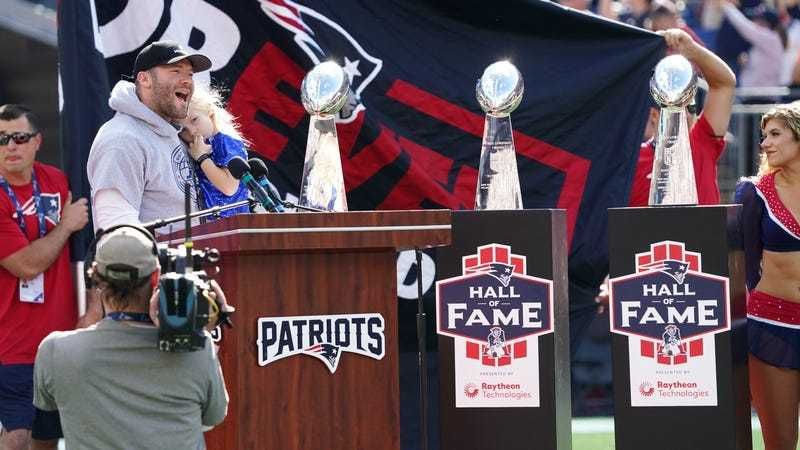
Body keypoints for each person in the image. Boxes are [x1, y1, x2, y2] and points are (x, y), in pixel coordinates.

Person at [32, 226, 229, 449]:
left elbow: (43, 436)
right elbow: (211, 418)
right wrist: (201, 333)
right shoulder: (197, 350)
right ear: (155, 276)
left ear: (96, 277)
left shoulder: (56, 351)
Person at [0, 104, 89, 450]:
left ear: (37, 141)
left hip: (60, 339)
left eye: (19, 138)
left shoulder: (57, 180)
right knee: (18, 437)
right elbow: (25, 265)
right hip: (12, 344)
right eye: (2, 139)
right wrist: (65, 226)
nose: (11, 146)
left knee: (47, 437)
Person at [87, 41, 212, 231]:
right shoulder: (122, 139)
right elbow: (116, 227)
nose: (187, 81)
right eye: (176, 71)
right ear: (145, 79)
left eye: (190, 74)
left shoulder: (176, 133)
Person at [736, 104, 800, 450]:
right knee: (780, 442)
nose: (765, 144)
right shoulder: (754, 192)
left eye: (775, 134)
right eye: (763, 136)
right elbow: (746, 265)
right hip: (773, 325)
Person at [628, 28, 736, 206]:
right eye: (675, 107)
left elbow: (725, 84)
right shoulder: (631, 161)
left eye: (690, 107)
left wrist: (693, 50)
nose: (686, 114)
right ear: (654, 115)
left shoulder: (702, 142)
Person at [179, 84, 250, 217]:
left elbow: (229, 187)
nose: (192, 131)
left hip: (231, 222)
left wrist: (202, 158)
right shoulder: (200, 144)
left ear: (209, 112)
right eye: (183, 129)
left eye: (194, 120)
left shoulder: (226, 141)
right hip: (208, 220)